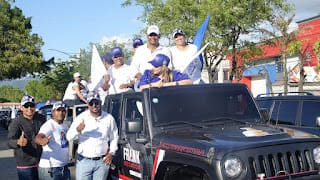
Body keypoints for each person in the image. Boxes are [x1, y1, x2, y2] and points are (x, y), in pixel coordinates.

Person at [66, 92, 119, 180]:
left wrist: (111, 153)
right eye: (91, 103)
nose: (94, 105)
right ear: (88, 104)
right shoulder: (81, 118)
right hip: (84, 161)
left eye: (96, 103)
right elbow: (69, 137)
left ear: (100, 103)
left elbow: (114, 137)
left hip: (102, 162)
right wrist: (77, 130)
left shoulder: (109, 118)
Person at [7, 95, 46, 180]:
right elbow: (9, 141)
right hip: (25, 165)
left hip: (42, 161)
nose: (29, 108)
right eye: (26, 106)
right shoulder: (16, 123)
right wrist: (18, 142)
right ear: (21, 108)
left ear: (35, 107)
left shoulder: (41, 119)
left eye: (31, 105)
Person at [34, 101, 71, 180]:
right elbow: (38, 137)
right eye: (58, 110)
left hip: (63, 167)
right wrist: (42, 140)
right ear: (53, 112)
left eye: (63, 110)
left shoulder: (64, 125)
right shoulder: (49, 125)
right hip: (51, 169)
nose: (61, 113)